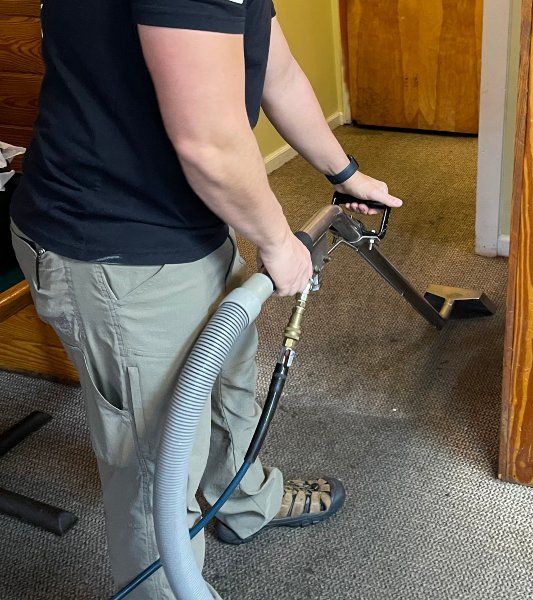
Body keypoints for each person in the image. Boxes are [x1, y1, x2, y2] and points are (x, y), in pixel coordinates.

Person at [9, 1, 402, 598]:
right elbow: (208, 144)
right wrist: (277, 242)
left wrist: (344, 173)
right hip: (117, 241)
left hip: (187, 216)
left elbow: (275, 67)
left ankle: (243, 503)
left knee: (225, 377)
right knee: (158, 469)